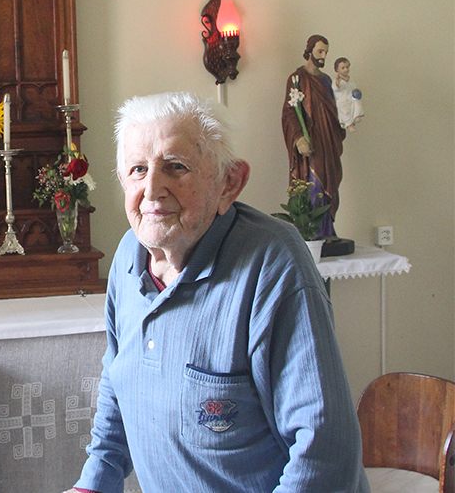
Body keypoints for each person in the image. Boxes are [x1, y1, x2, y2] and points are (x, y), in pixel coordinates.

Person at [64, 92, 369, 493]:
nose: (152, 189)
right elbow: (119, 382)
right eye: (138, 169)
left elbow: (324, 450)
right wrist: (93, 483)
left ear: (229, 183)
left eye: (176, 167)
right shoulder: (127, 256)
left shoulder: (273, 262)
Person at [281, 34, 345, 238]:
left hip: (327, 141)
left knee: (329, 184)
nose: (323, 56)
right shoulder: (297, 78)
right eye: (320, 51)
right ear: (309, 51)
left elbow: (335, 109)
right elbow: (289, 112)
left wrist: (347, 115)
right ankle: (312, 233)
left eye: (326, 52)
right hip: (311, 142)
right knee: (314, 184)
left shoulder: (326, 80)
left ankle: (327, 232)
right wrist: (299, 138)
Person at [332, 57, 364, 132]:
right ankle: (348, 124)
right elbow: (335, 88)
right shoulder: (337, 81)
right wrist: (337, 84)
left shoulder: (350, 80)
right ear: (337, 69)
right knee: (345, 110)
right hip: (343, 101)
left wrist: (357, 91)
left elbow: (353, 88)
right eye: (343, 68)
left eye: (347, 67)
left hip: (351, 98)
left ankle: (356, 115)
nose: (346, 69)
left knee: (357, 103)